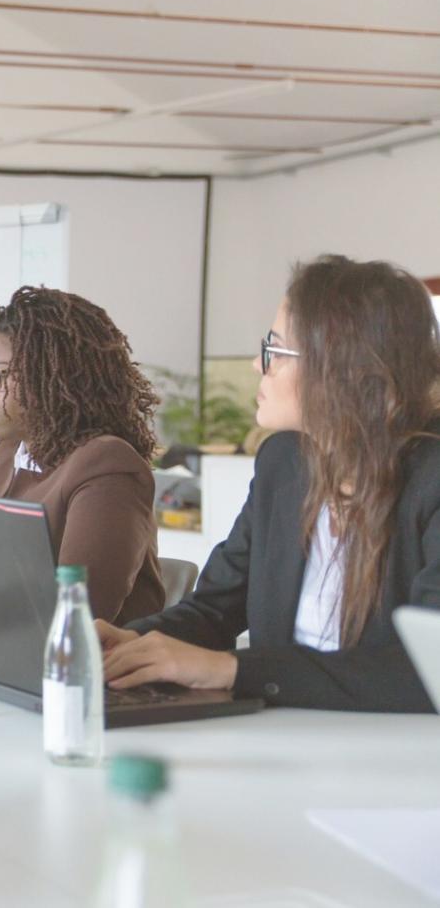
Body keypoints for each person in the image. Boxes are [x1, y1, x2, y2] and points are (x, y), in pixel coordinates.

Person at [101, 256, 440, 713]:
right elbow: (214, 609)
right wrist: (131, 643)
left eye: (275, 351)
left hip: (397, 758)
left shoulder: (430, 480)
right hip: (280, 740)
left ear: (345, 370)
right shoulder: (284, 463)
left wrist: (234, 670)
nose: (257, 365)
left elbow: (425, 669)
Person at [0, 286, 165, 623]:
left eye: (0, 374)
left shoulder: (106, 465)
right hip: (4, 648)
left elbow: (79, 609)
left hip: (90, 668)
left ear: (59, 376)